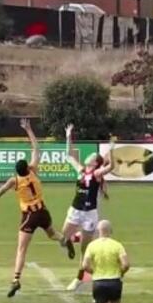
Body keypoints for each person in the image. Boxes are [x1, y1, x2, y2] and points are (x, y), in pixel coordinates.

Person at [0, 118, 63, 297]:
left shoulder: (14, 181)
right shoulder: (34, 170)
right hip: (43, 211)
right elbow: (36, 148)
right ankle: (66, 240)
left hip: (30, 215)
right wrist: (29, 130)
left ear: (16, 170)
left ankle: (16, 279)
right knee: (53, 234)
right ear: (27, 167)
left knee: (21, 249)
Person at [58, 123, 116, 291]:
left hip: (89, 214)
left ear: (95, 162)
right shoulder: (81, 170)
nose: (89, 156)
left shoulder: (97, 174)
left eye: (92, 156)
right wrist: (69, 135)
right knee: (62, 239)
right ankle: (73, 239)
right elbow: (69, 155)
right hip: (75, 210)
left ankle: (79, 279)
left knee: (85, 251)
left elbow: (111, 166)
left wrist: (111, 149)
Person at [82, 220, 130, 303]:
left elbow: (85, 265)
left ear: (98, 231)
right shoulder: (117, 245)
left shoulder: (92, 245)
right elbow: (126, 264)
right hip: (115, 281)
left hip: (99, 282)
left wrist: (94, 272)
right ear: (110, 231)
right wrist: (121, 272)